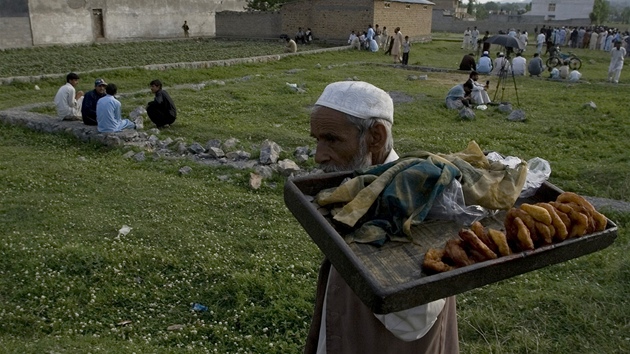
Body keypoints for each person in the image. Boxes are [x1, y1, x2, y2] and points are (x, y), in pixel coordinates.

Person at [305, 81, 459, 353]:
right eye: (316, 139)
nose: (318, 156)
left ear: (375, 137)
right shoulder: (359, 187)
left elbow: (414, 321)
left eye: (331, 139)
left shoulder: (417, 199)